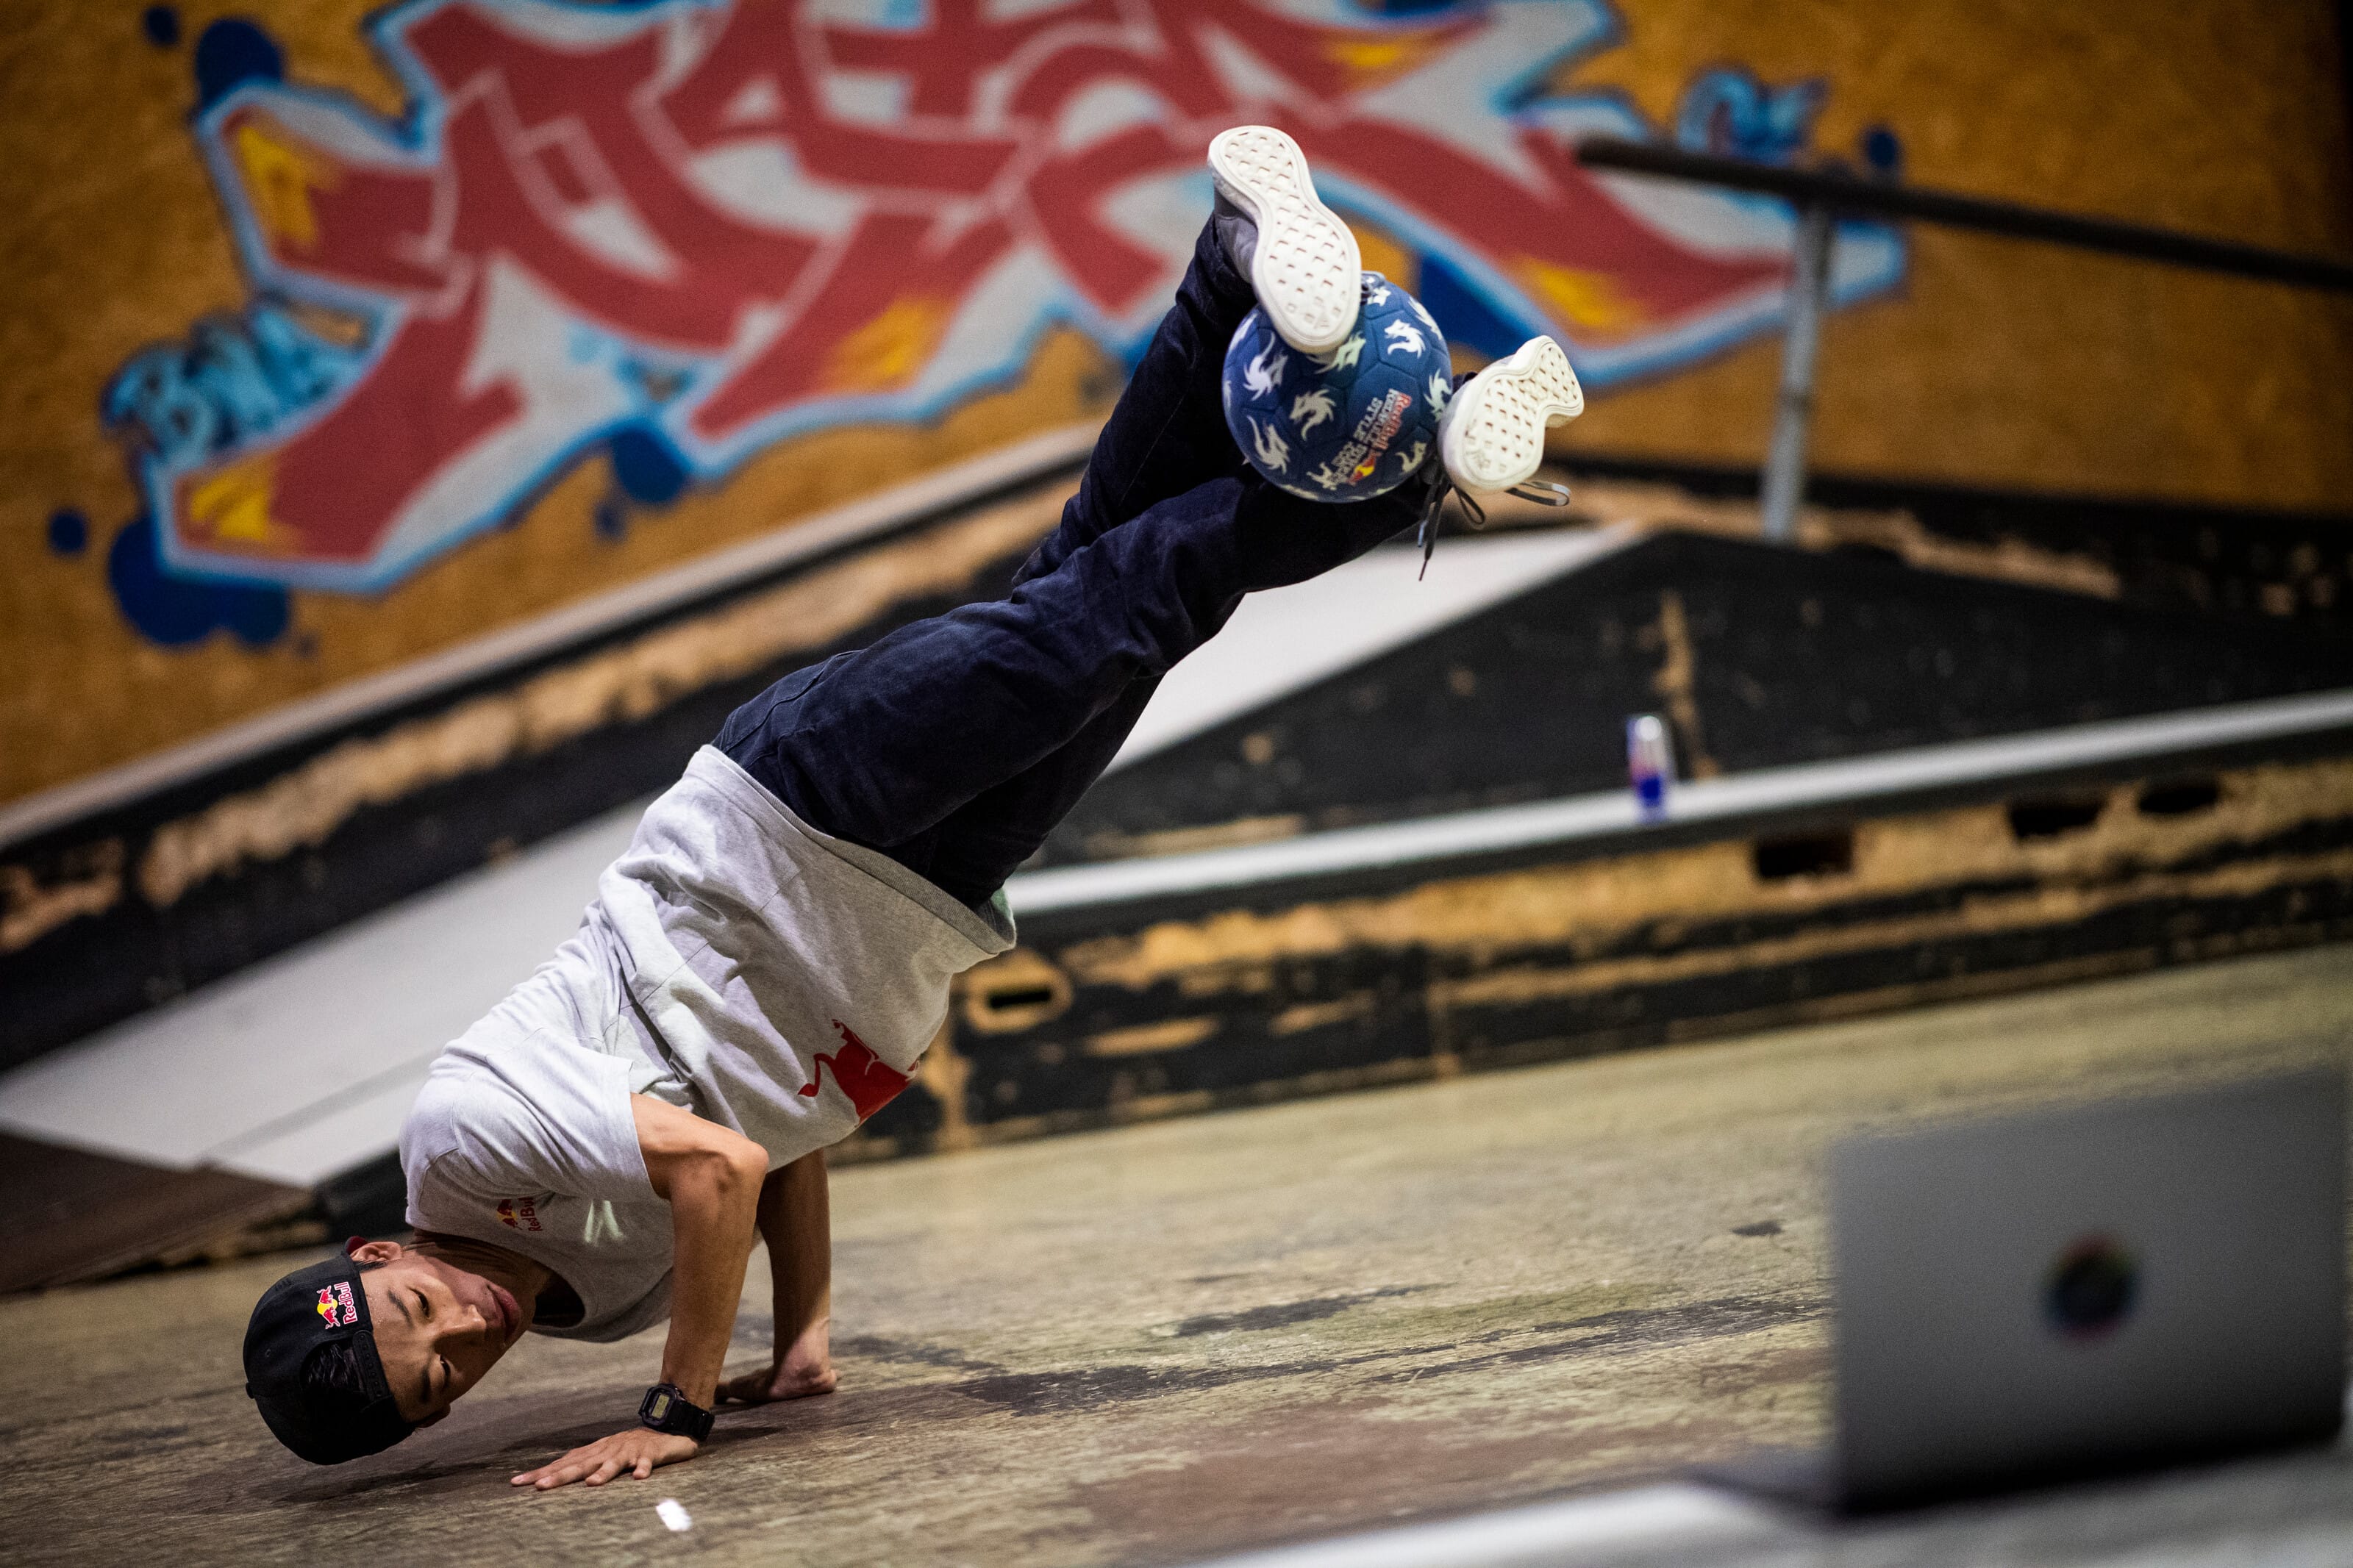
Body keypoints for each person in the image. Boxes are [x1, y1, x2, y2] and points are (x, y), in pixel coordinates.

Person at [238, 127, 1578, 1489]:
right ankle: (1235, 262)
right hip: (907, 912)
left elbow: (716, 1167)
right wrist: (803, 1332)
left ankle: (1421, 466)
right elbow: (768, 1144)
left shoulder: (463, 1144)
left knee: (1110, 620)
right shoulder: (591, 1299)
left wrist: (678, 1408)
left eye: (420, 1310)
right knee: (1098, 586)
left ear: (377, 1252)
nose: (466, 1331)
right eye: (442, 1378)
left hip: (787, 821)